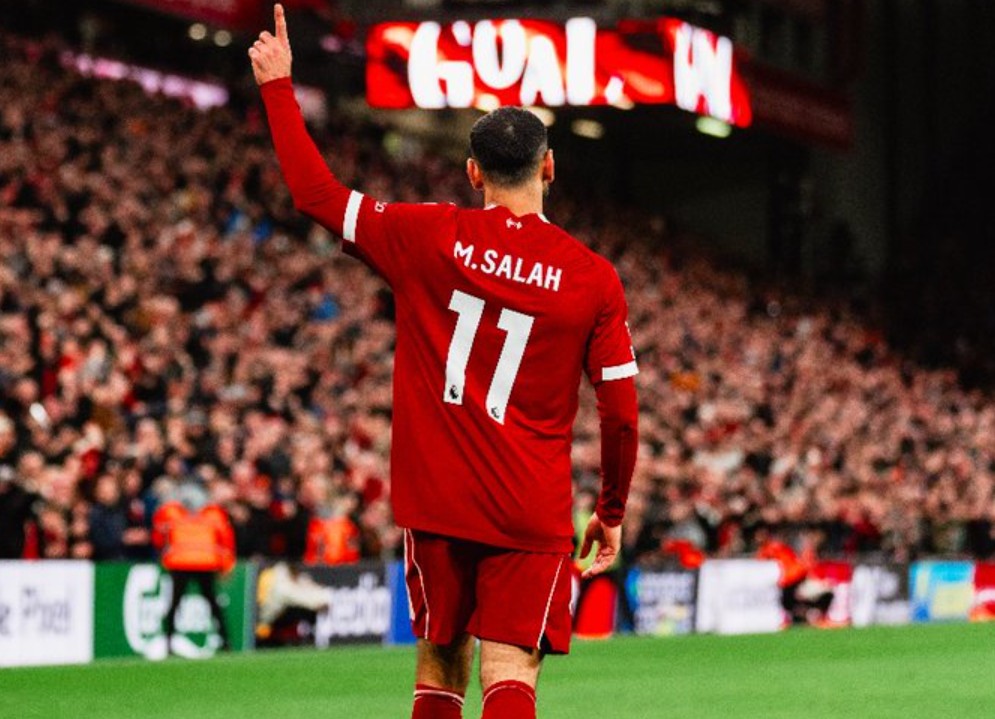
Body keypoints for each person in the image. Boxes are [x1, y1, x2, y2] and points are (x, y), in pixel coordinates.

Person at [250, 7, 639, 718]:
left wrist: (278, 86)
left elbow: (314, 194)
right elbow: (620, 411)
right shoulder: (592, 278)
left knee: (439, 663)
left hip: (438, 501)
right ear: (549, 167)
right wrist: (609, 509)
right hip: (529, 506)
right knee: (510, 670)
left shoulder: (424, 234)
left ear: (472, 172)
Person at [152, 482, 236, 652]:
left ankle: (168, 643)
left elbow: (158, 537)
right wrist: (226, 566)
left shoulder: (170, 512)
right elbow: (227, 541)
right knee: (212, 603)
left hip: (180, 563)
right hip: (206, 563)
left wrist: (163, 555)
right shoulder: (214, 514)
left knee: (175, 603)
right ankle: (225, 642)